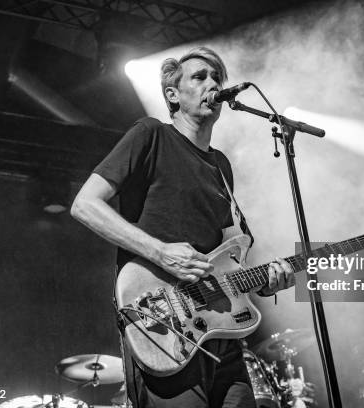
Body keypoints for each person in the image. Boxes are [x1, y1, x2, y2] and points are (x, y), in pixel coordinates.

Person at [71, 46, 295, 408]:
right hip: (164, 320)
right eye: (200, 76)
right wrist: (160, 251)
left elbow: (230, 258)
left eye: (217, 78)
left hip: (221, 330)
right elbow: (85, 204)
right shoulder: (151, 135)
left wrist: (268, 280)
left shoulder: (220, 165)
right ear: (172, 94)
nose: (213, 84)